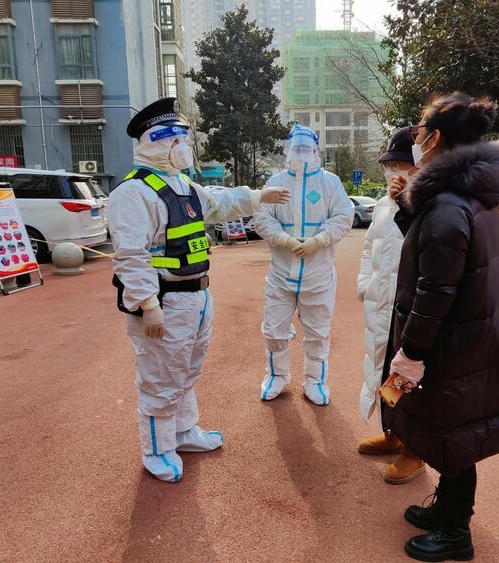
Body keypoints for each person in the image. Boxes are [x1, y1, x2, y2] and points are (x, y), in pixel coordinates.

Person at [108, 97, 290, 483]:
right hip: (164, 299)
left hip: (197, 295)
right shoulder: (132, 193)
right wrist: (146, 303)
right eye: (173, 139)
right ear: (153, 142)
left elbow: (218, 203)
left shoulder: (182, 185)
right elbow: (129, 254)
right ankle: (157, 448)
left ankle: (184, 431)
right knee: (161, 376)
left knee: (187, 370)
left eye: (183, 137)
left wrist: (258, 196)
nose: (182, 146)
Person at [382, 92, 499, 562]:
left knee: (456, 434)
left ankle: (456, 531)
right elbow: (439, 258)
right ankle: (448, 510)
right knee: (452, 428)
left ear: (436, 138)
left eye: (420, 131)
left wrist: (412, 352)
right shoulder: (465, 196)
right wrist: (407, 207)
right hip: (471, 336)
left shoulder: (447, 205)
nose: (416, 139)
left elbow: (435, 289)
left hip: (453, 342)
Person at [254, 124, 354, 405]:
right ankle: (276, 376)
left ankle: (315, 380)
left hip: (317, 273)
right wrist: (283, 239)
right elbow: (262, 216)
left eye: (307, 148)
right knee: (273, 328)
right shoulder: (276, 181)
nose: (301, 153)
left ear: (316, 152)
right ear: (288, 151)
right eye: (296, 148)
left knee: (318, 331)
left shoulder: (329, 182)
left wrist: (318, 240)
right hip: (281, 272)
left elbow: (343, 216)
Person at [356, 127, 426, 485]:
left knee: (409, 375)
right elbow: (370, 247)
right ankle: (393, 433)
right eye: (390, 163)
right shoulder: (383, 205)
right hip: (382, 303)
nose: (394, 170)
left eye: (402, 162)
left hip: (411, 307)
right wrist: (363, 282)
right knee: (384, 369)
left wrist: (408, 202)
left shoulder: (429, 204)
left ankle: (415, 451)